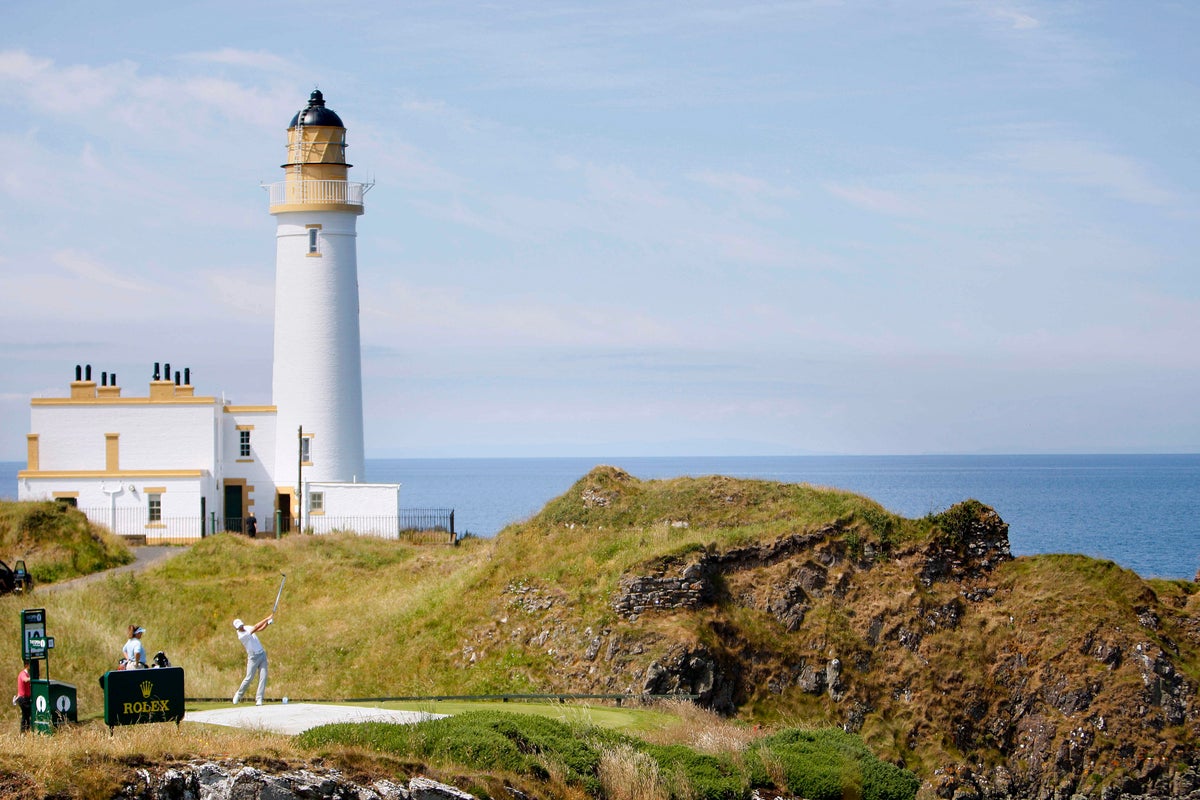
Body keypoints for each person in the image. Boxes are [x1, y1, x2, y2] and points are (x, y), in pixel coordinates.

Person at [232, 614, 273, 705]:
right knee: (249, 678)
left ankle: (259, 699)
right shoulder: (241, 636)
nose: (241, 627)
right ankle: (239, 694)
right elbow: (255, 627)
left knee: (263, 677)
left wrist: (267, 623)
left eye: (241, 625)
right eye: (239, 627)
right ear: (237, 629)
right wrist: (266, 618)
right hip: (253, 658)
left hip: (262, 654)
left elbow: (259, 629)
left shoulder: (247, 628)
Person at [15, 660, 31, 733]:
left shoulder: (28, 674)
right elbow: (25, 680)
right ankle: (23, 731)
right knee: (26, 715)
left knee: (26, 716)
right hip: (23, 699)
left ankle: (26, 731)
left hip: (26, 698)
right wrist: (33, 679)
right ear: (26, 665)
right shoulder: (23, 674)